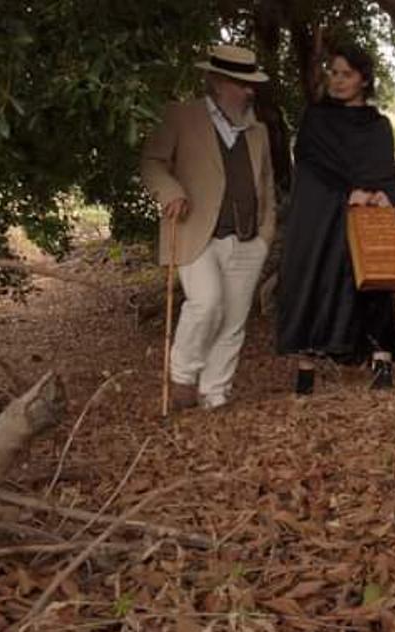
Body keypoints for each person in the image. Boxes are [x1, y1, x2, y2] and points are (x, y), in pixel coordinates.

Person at [140, 45, 277, 411]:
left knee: (233, 321)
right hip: (195, 232)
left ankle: (215, 394)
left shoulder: (258, 131)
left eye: (251, 84)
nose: (250, 91)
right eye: (242, 83)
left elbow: (266, 184)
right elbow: (152, 162)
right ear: (217, 82)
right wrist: (170, 191)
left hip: (249, 238)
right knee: (207, 303)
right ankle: (183, 376)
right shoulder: (180, 116)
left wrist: (266, 234)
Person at [275, 44, 395, 394]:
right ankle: (306, 370)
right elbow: (310, 168)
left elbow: (383, 171)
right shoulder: (316, 119)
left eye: (346, 74)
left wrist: (382, 195)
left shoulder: (378, 125)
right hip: (323, 213)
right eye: (333, 73)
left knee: (374, 278)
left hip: (367, 215)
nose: (337, 81)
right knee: (316, 279)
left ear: (363, 79)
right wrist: (347, 194)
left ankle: (381, 362)